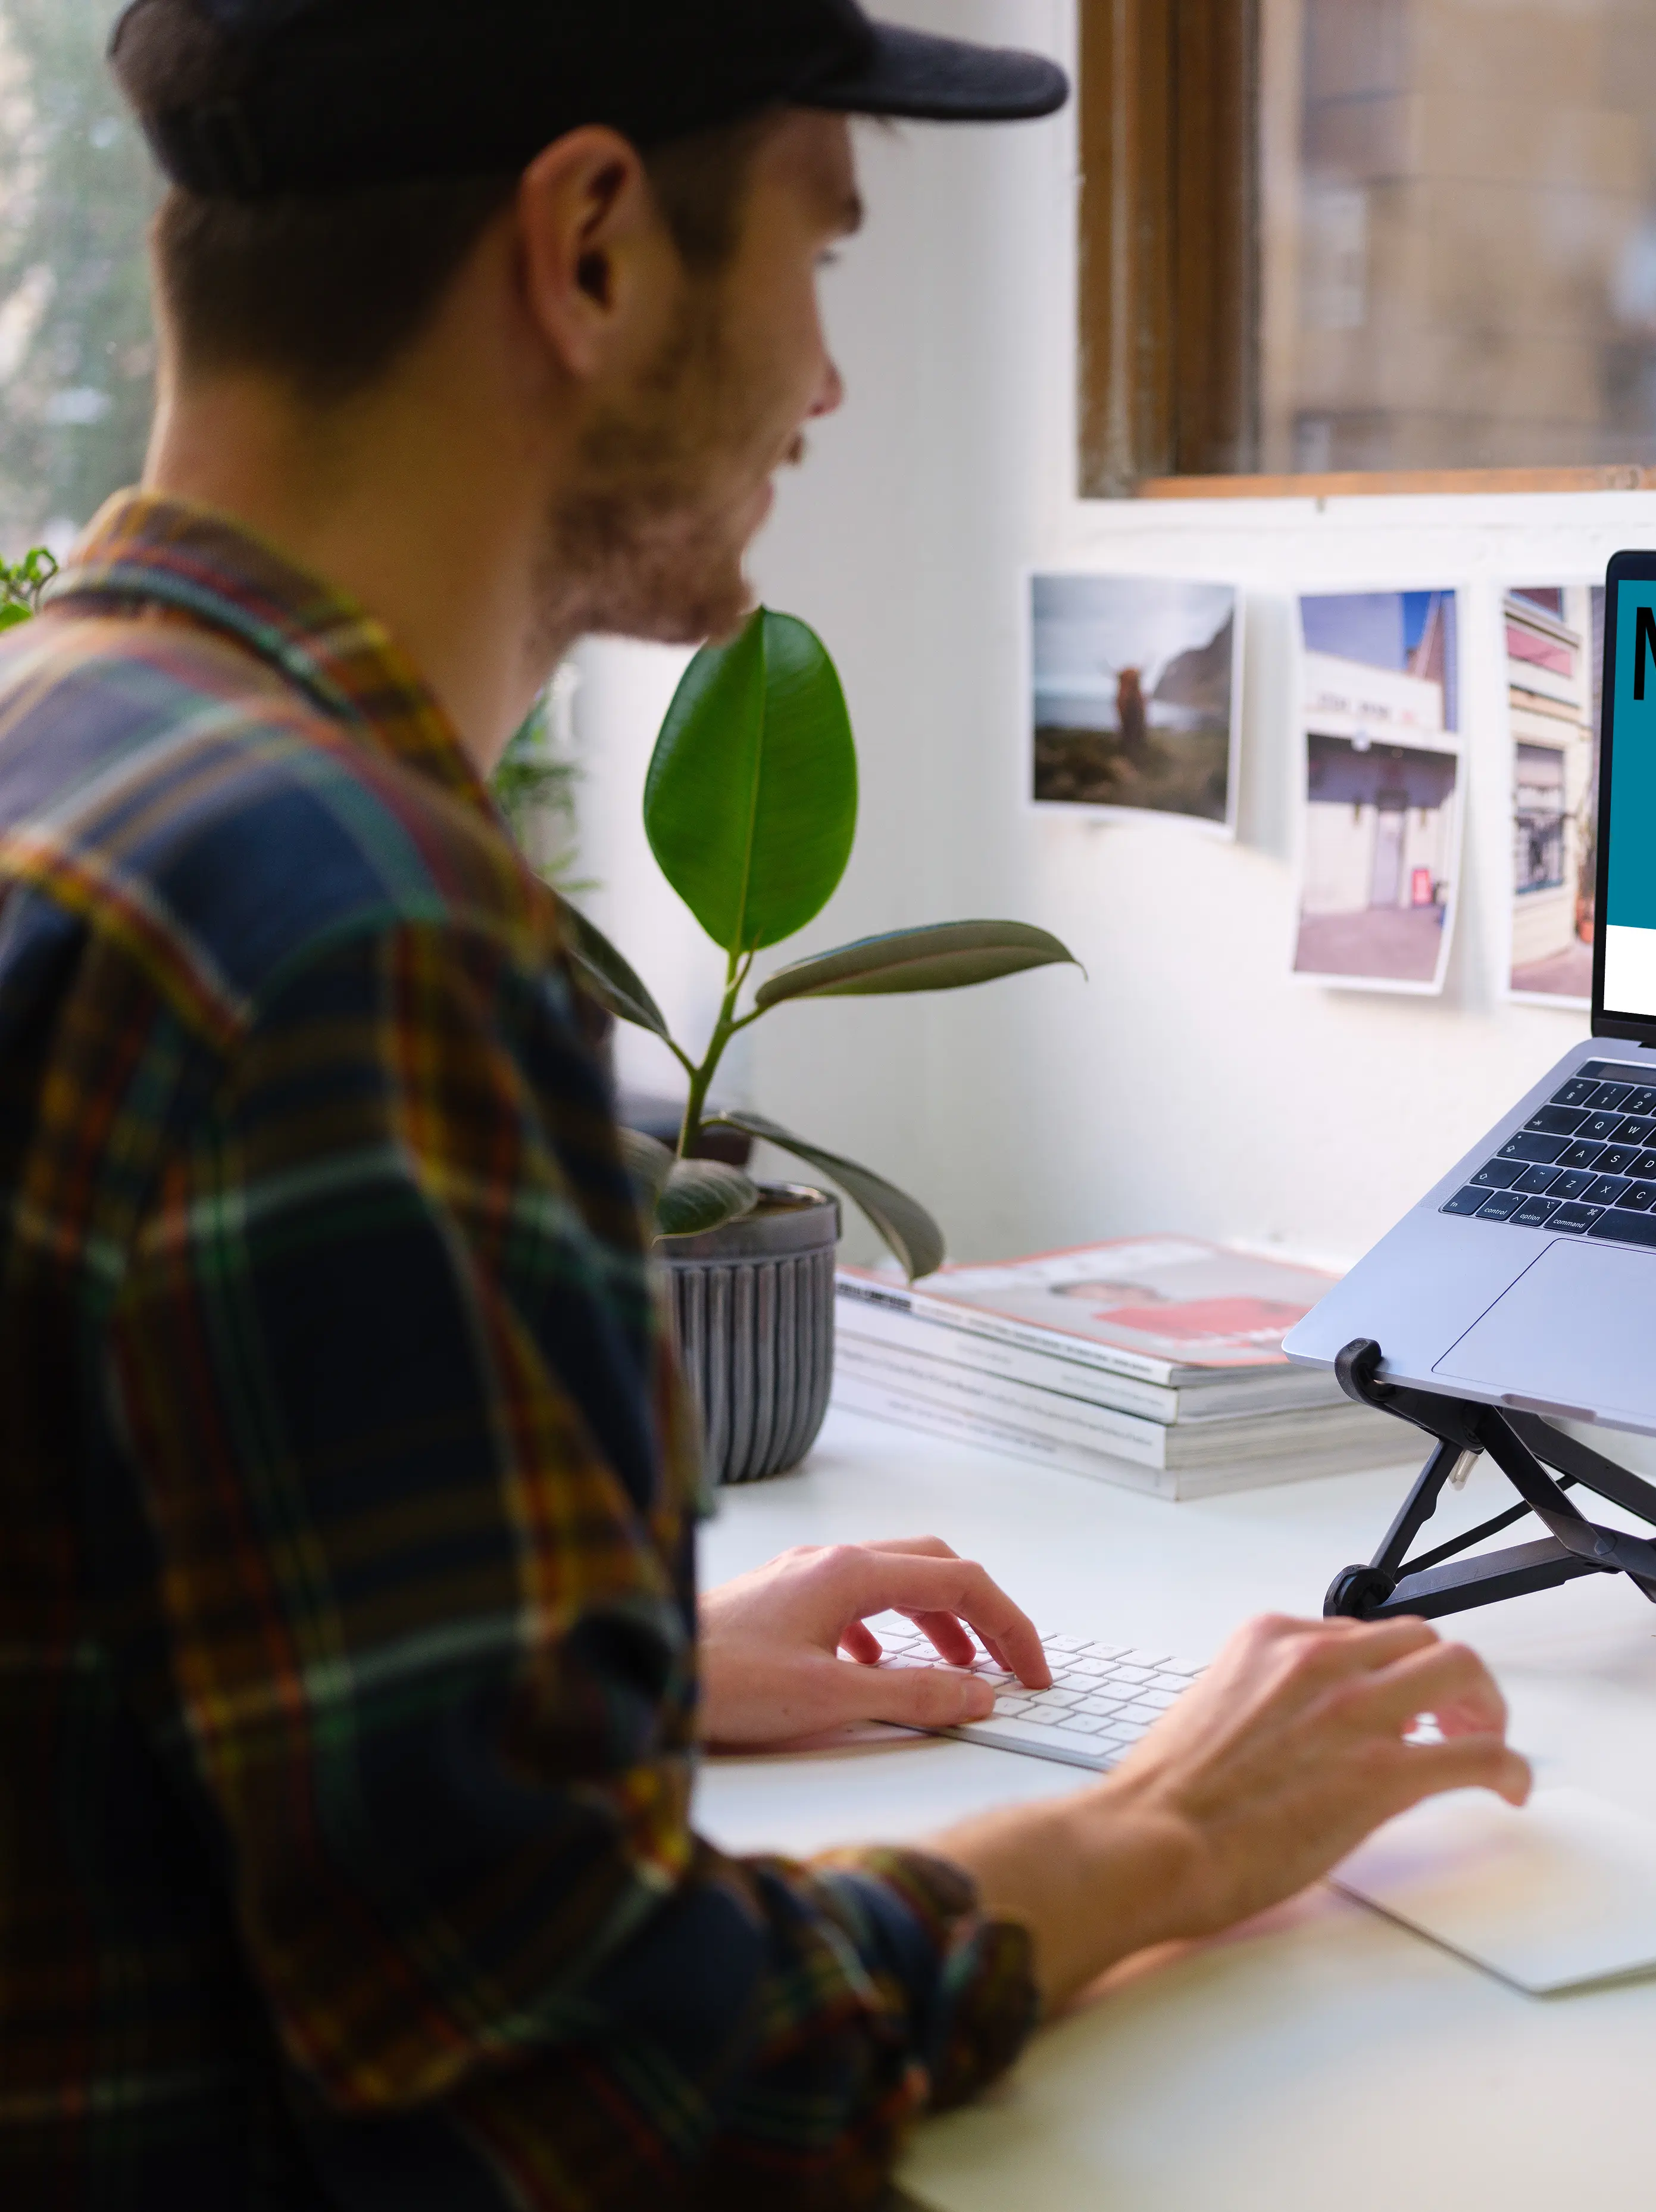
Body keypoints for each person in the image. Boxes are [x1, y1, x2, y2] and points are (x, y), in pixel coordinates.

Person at [0, 3, 1526, 2202]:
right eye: (819, 251)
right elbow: (606, 2089)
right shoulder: (351, 942)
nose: (825, 382)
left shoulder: (70, 752)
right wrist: (1151, 1833)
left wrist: (593, 1676)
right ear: (592, 249)